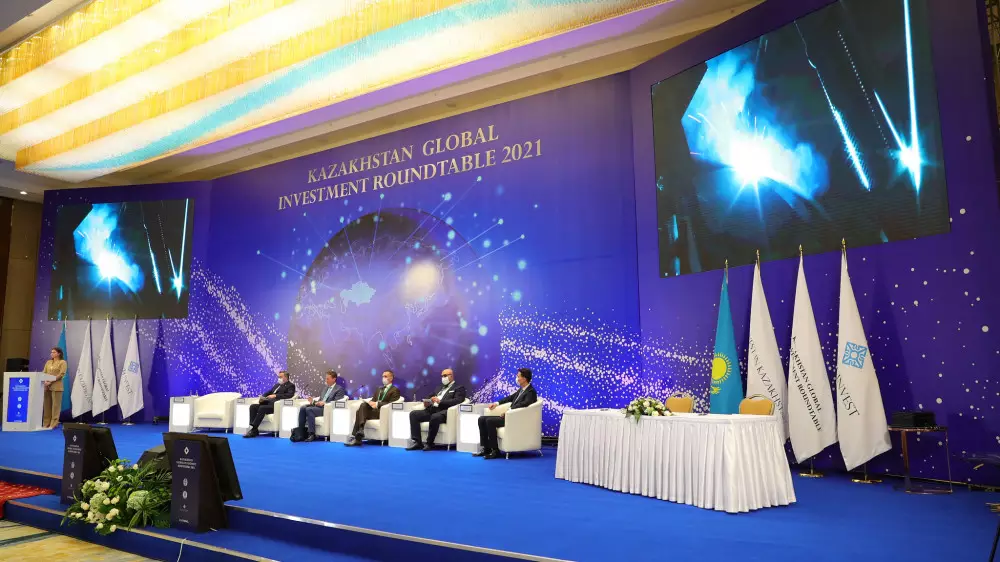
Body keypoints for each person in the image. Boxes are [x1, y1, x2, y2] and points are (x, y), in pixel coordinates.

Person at [476, 368, 537, 459]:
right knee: (481, 419)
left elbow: (524, 404)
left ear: (524, 378)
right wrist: (496, 403)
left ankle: (495, 451)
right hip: (510, 416)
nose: (516, 378)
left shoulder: (531, 391)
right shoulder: (522, 390)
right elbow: (510, 398)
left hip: (515, 418)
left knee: (490, 421)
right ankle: (486, 448)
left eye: (518, 376)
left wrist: (509, 410)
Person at [406, 368, 467, 451]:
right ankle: (417, 442)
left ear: (451, 376)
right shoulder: (439, 387)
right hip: (432, 409)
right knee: (413, 414)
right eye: (442, 376)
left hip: (444, 411)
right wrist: (427, 401)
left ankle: (429, 443)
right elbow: (429, 396)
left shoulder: (459, 387)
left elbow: (457, 401)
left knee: (435, 417)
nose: (443, 378)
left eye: (445, 375)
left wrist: (440, 402)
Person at [346, 370, 399, 446]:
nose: (383, 378)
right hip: (373, 411)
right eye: (383, 376)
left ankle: (357, 437)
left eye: (385, 376)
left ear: (391, 378)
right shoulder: (379, 389)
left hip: (382, 413)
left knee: (359, 412)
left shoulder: (395, 390)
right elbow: (373, 400)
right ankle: (360, 431)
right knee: (363, 405)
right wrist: (370, 402)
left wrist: (377, 404)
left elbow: (391, 404)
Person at [296, 370, 346, 442]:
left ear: (334, 379)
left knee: (309, 410)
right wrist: (313, 401)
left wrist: (324, 403)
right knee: (303, 408)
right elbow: (320, 399)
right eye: (326, 378)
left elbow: (336, 403)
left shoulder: (339, 389)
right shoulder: (325, 388)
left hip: (326, 409)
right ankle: (300, 432)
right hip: (319, 407)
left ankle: (311, 434)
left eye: (328, 379)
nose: (326, 380)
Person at [244, 371, 296, 438]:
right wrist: (262, 397)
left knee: (262, 408)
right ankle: (254, 428)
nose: (279, 378)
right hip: (268, 403)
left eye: (280, 377)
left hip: (275, 406)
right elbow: (268, 392)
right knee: (253, 406)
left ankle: (254, 429)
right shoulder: (277, 385)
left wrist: (276, 395)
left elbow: (289, 395)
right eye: (278, 377)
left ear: (286, 377)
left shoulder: (291, 385)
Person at [42, 347, 68, 429]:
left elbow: (61, 374)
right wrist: (45, 381)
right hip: (47, 386)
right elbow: (44, 372)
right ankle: (46, 423)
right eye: (51, 352)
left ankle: (53, 424)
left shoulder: (62, 362)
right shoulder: (48, 362)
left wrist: (51, 381)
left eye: (54, 352)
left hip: (57, 387)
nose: (51, 354)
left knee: (55, 406)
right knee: (47, 406)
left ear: (59, 353)